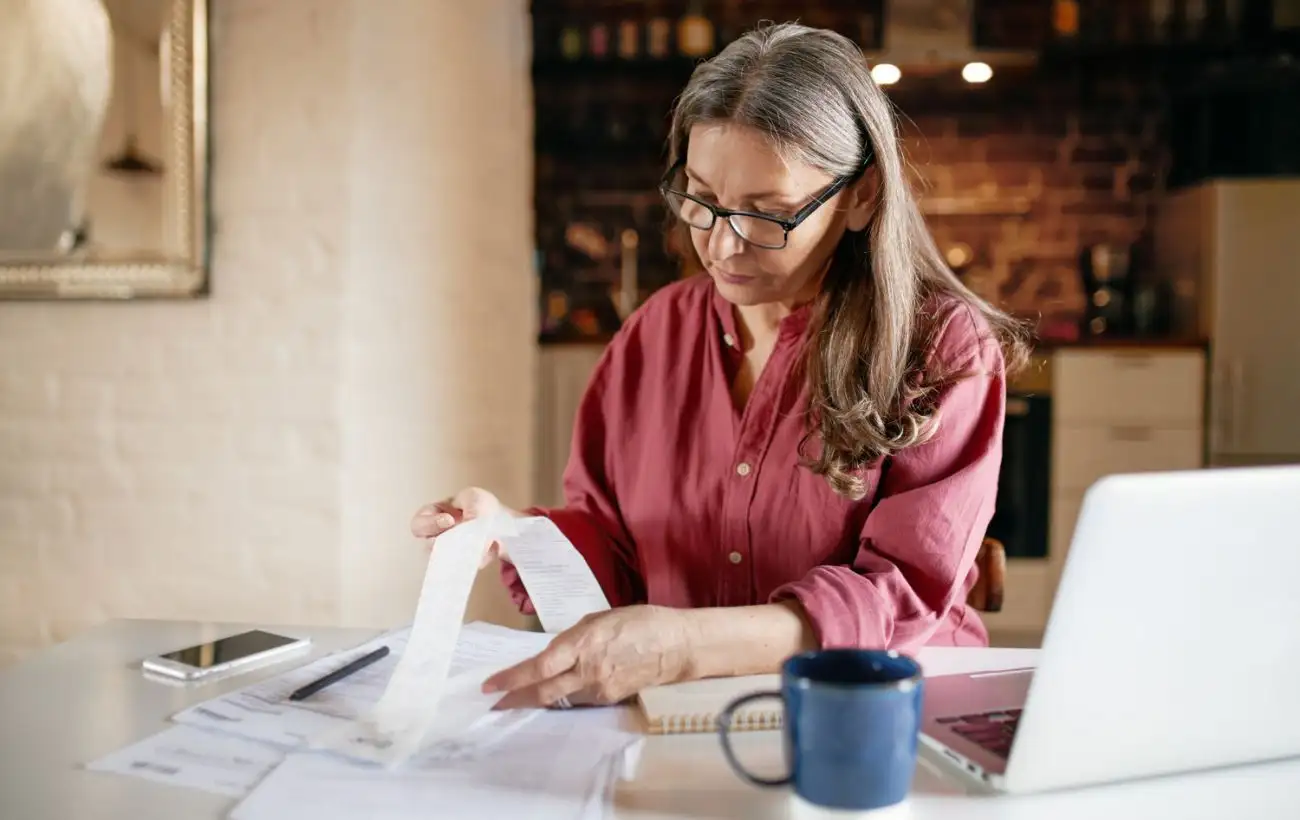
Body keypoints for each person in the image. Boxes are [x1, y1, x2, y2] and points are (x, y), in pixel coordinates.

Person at [412, 22, 1029, 710]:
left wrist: (682, 647)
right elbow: (616, 544)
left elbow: (899, 595)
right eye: (702, 198)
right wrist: (511, 533)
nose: (722, 245)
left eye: (769, 214)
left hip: (872, 711)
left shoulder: (940, 346)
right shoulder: (655, 335)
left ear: (861, 195)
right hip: (683, 711)